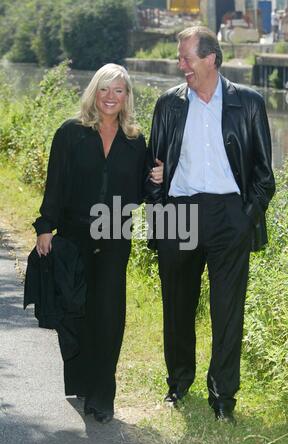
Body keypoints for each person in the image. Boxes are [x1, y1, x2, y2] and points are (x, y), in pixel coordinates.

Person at [146, 26, 275, 423]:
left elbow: (263, 175)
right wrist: (159, 207)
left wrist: (245, 218)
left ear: (211, 59)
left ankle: (222, 396)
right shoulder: (169, 104)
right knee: (177, 308)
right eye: (179, 58)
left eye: (187, 58)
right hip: (178, 214)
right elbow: (151, 168)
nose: (180, 65)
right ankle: (179, 382)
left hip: (228, 217)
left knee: (227, 311)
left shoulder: (248, 103)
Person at [34, 63, 163, 423]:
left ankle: (102, 395)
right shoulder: (70, 133)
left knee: (108, 313)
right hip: (73, 235)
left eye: (118, 91)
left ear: (127, 97)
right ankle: (80, 380)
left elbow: (144, 192)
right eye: (105, 89)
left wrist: (158, 178)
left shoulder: (136, 140)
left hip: (114, 236)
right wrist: (46, 227)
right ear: (94, 92)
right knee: (74, 313)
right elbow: (55, 184)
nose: (111, 97)